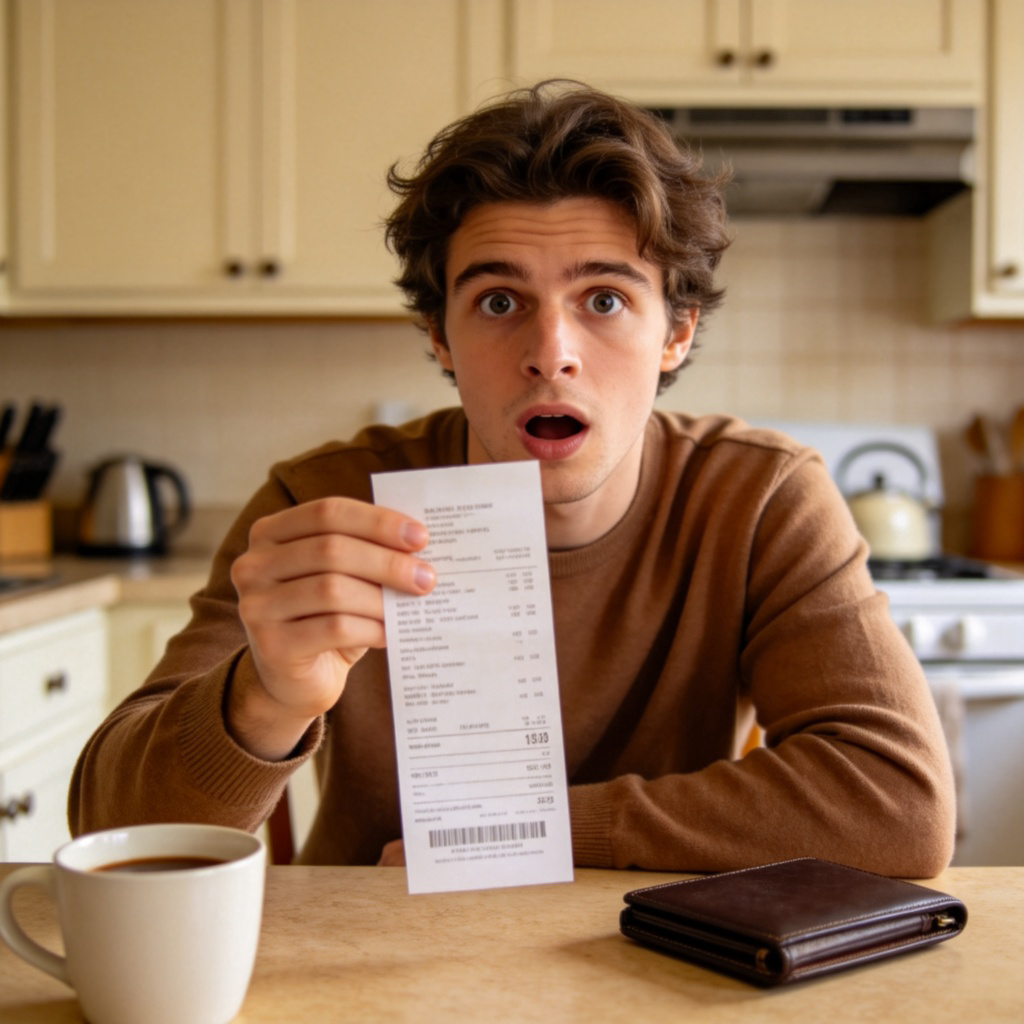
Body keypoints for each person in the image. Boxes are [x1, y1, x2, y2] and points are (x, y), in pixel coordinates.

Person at [70, 81, 955, 876]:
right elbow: (108, 831)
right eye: (499, 301)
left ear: (676, 333)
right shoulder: (326, 506)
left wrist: (526, 834)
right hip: (378, 958)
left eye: (605, 299)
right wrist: (261, 699)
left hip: (672, 964)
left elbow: (900, 806)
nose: (550, 355)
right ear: (440, 337)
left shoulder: (761, 499)